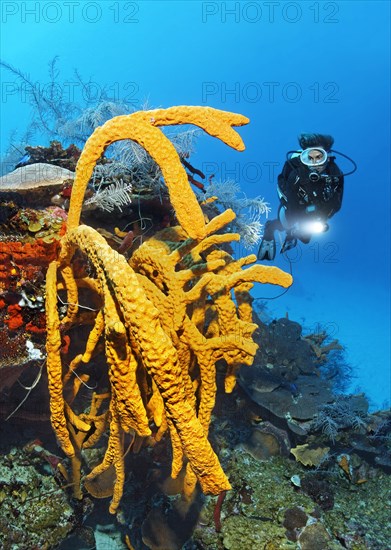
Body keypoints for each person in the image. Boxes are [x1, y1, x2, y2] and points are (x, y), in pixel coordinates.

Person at [258, 133, 345, 261]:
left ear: (327, 157)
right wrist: (293, 225)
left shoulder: (335, 175)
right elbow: (290, 202)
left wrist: (322, 218)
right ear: (303, 157)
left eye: (319, 157)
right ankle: (269, 230)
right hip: (294, 205)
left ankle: (293, 234)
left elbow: (336, 204)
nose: (314, 163)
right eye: (309, 158)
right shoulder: (296, 173)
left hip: (316, 209)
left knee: (306, 238)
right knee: (287, 223)